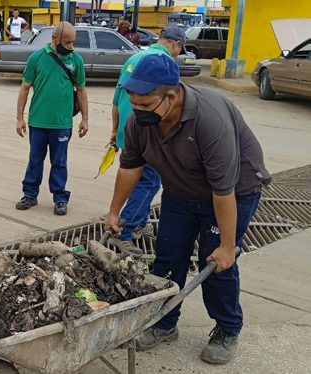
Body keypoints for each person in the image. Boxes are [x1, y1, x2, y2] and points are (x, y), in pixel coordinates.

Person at [105, 53, 270, 365]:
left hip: (233, 191)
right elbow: (130, 167)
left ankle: (227, 328)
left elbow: (223, 190)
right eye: (133, 103)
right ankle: (165, 323)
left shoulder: (209, 120)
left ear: (170, 96)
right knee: (167, 256)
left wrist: (226, 245)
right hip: (181, 191)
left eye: (144, 105)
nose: (137, 112)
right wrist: (115, 212)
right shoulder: (141, 120)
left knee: (217, 263)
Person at [108, 27, 187, 257]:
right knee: (149, 182)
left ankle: (139, 221)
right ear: (176, 45)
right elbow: (170, 106)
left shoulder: (134, 58)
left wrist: (114, 131)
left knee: (138, 176)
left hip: (127, 127)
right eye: (179, 51)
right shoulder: (163, 64)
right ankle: (124, 232)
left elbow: (116, 99)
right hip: (149, 130)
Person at [15, 22, 89, 216]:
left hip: (62, 123)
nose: (70, 46)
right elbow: (24, 88)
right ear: (54, 39)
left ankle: (60, 198)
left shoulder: (76, 60)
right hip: (38, 122)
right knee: (35, 159)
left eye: (73, 42)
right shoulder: (37, 58)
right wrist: (19, 118)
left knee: (59, 161)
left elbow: (81, 90)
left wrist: (85, 119)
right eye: (67, 42)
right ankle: (30, 195)